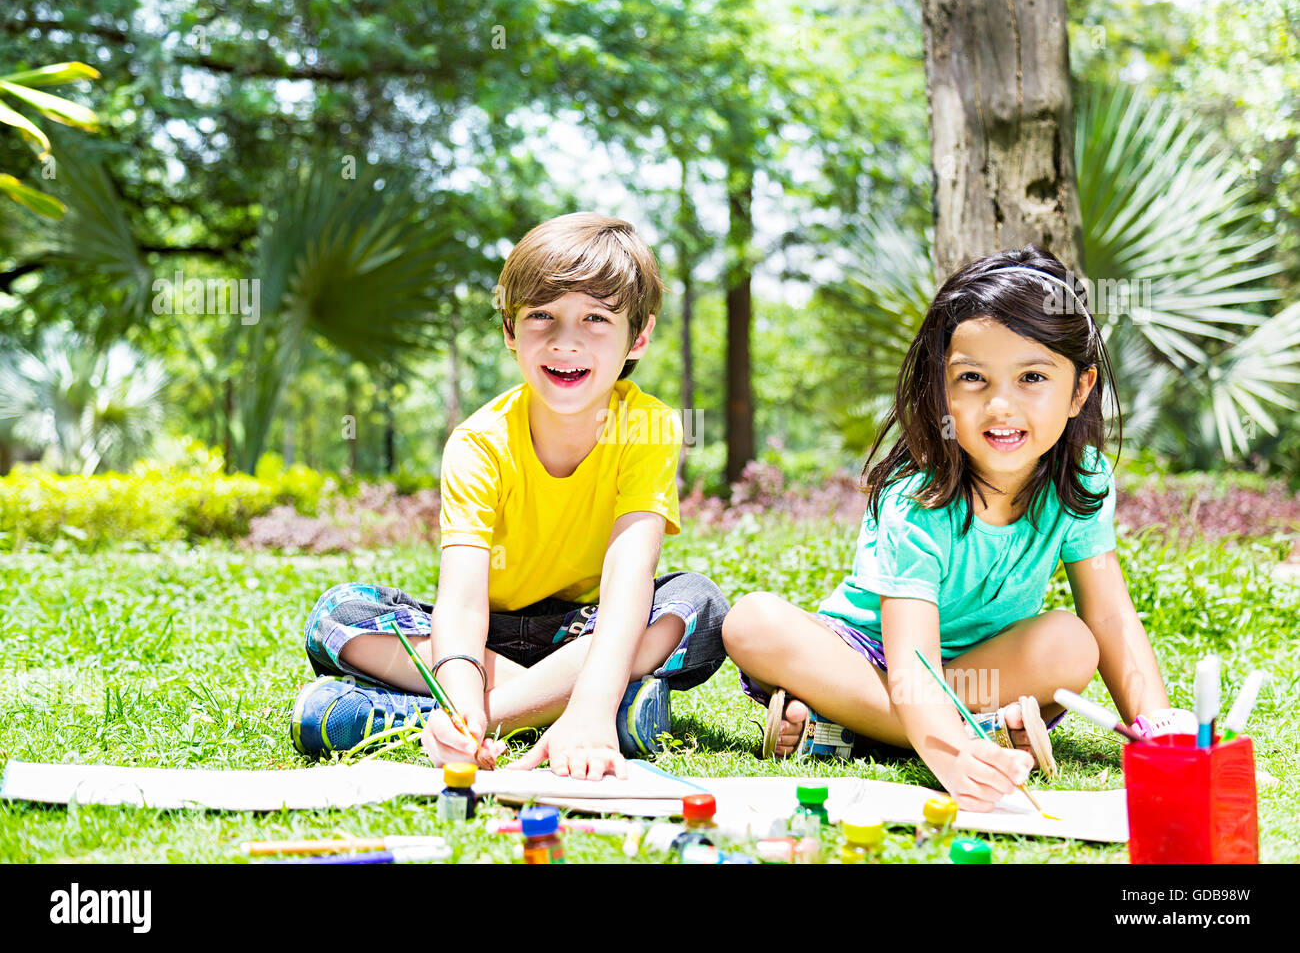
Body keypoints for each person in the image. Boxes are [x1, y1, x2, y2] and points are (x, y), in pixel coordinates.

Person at [722, 245, 1193, 811]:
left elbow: (1111, 615)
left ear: (1080, 390)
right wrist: (954, 756)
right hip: (873, 657)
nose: (1000, 404)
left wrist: (1159, 727)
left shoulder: (1082, 480)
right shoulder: (917, 499)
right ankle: (973, 734)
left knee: (1071, 643)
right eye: (972, 377)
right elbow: (912, 662)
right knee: (751, 622)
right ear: (940, 388)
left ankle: (845, 727)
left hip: (984, 668)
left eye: (1031, 377)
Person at [290, 212, 728, 780]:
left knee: (696, 603)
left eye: (596, 318)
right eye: (541, 316)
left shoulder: (646, 425)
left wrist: (575, 709)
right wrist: (461, 697)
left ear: (637, 336)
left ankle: (440, 720)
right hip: (489, 638)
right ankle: (599, 711)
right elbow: (463, 601)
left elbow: (628, 578)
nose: (565, 341)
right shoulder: (478, 442)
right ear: (509, 329)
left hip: (586, 633)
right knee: (339, 616)